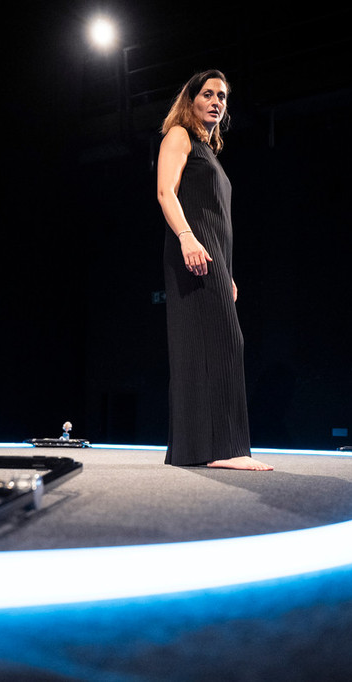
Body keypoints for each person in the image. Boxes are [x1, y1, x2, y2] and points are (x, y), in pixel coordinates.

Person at [156, 69, 272, 471]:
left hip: (212, 258)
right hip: (193, 250)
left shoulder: (208, 153)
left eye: (222, 96)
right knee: (223, 344)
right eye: (208, 94)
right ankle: (223, 448)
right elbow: (165, 192)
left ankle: (198, 449)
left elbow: (217, 216)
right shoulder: (179, 136)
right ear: (191, 100)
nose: (216, 102)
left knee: (207, 346)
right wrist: (187, 237)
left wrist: (228, 272)